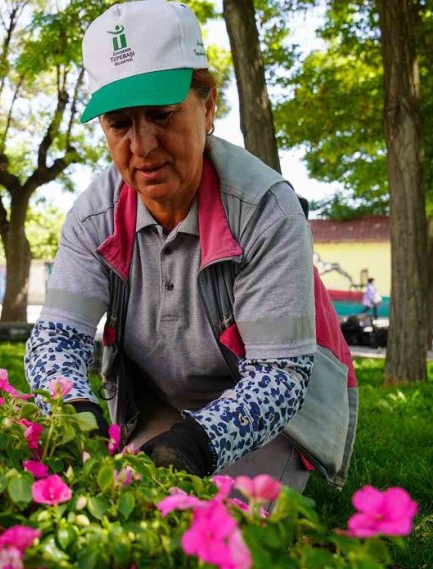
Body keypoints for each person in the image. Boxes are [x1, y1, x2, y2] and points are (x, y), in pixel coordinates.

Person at [24, 0, 356, 492]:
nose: (142, 146)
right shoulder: (93, 217)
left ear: (208, 104)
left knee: (223, 527)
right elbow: (56, 339)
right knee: (123, 498)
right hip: (170, 403)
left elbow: (281, 376)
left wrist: (196, 443)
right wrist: (74, 409)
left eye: (161, 114)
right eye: (119, 124)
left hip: (280, 412)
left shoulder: (266, 211)